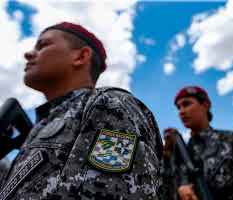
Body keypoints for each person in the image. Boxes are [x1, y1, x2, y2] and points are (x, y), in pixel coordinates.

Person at [0, 22, 163, 200]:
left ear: (81, 56)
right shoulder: (39, 129)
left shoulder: (110, 105)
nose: (29, 53)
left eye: (43, 45)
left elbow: (115, 191)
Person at [161, 128, 180, 200]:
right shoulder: (160, 155)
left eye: (169, 137)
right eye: (166, 137)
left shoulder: (183, 155)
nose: (168, 140)